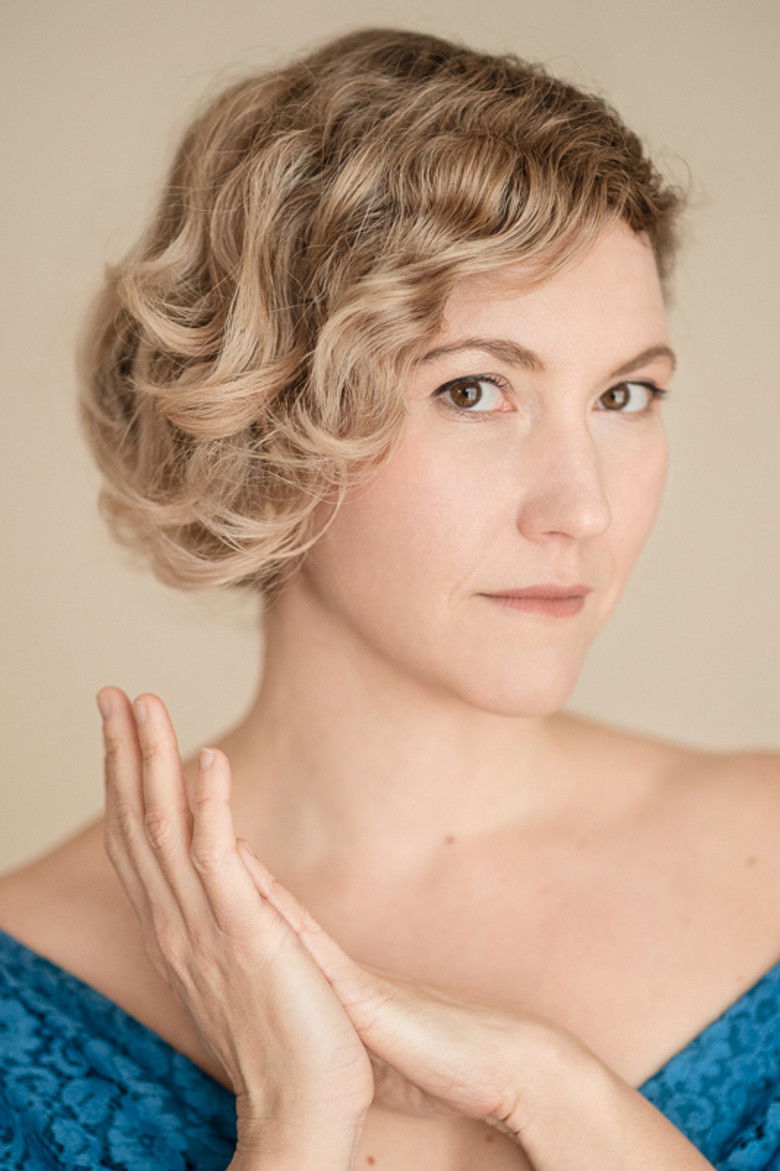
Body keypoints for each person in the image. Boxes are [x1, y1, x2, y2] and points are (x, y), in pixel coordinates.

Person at [0, 24, 778, 1171]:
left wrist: (554, 1090)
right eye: (474, 390)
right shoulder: (25, 1007)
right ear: (266, 419)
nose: (583, 507)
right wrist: (294, 1127)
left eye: (624, 396)